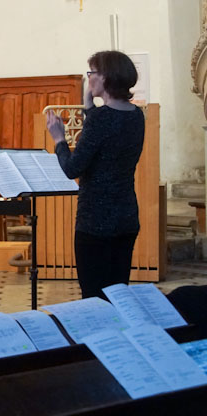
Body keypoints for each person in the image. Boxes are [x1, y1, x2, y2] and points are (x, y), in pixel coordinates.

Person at [46, 50, 144, 299]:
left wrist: (59, 139)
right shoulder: (136, 115)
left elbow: (72, 168)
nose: (89, 78)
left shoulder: (100, 119)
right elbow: (107, 136)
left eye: (92, 72)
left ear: (106, 77)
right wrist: (89, 107)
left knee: (93, 298)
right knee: (117, 295)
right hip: (125, 218)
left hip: (96, 222)